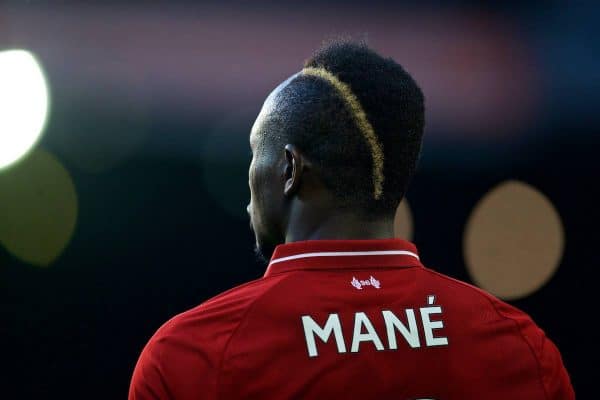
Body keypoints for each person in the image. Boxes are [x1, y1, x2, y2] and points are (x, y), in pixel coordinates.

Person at [129, 40, 574, 399]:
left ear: (289, 170)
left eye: (254, 154)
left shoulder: (191, 357)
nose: (249, 189)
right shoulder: (520, 350)